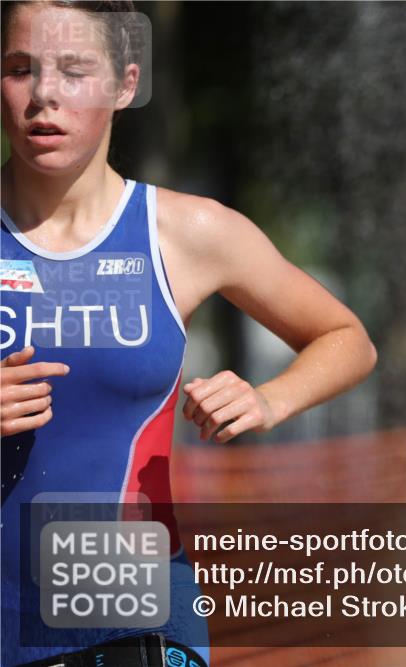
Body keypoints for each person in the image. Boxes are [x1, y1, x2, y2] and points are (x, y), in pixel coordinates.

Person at [0, 2, 377, 665]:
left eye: (75, 70)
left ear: (125, 85)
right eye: (19, 68)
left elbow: (345, 336)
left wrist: (270, 399)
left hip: (129, 611)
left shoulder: (187, 233)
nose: (43, 95)